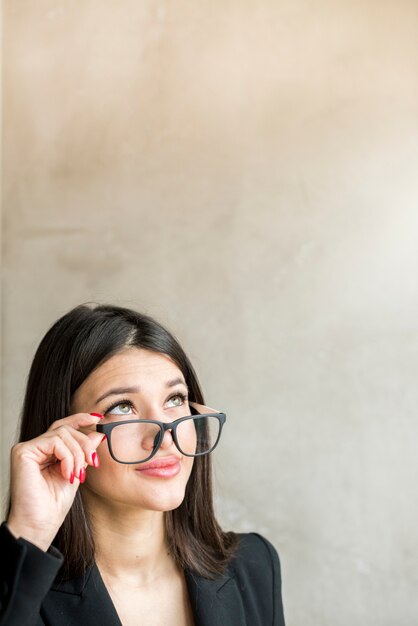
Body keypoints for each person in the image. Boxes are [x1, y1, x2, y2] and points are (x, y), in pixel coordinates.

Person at [0, 304, 285, 626]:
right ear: (65, 432)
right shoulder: (22, 588)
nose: (164, 436)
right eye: (123, 407)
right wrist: (29, 533)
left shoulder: (253, 563)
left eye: (175, 400)